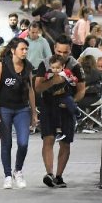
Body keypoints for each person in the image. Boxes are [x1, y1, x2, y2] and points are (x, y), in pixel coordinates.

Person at [34, 35, 86, 188]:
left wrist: (71, 103)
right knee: (48, 139)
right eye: (59, 51)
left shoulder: (75, 66)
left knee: (65, 143)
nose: (62, 55)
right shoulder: (45, 63)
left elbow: (81, 89)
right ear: (54, 49)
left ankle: (59, 176)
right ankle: (49, 174)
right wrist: (53, 81)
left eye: (66, 52)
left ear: (70, 50)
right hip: (48, 105)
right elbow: (37, 88)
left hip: (65, 107)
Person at [0, 38, 38, 189]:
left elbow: (30, 90)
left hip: (22, 108)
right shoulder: (2, 66)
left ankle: (18, 170)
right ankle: (7, 175)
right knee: (7, 142)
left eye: (26, 49)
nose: (25, 52)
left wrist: (34, 113)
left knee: (23, 143)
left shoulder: (27, 66)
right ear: (13, 50)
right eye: (22, 49)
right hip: (4, 108)